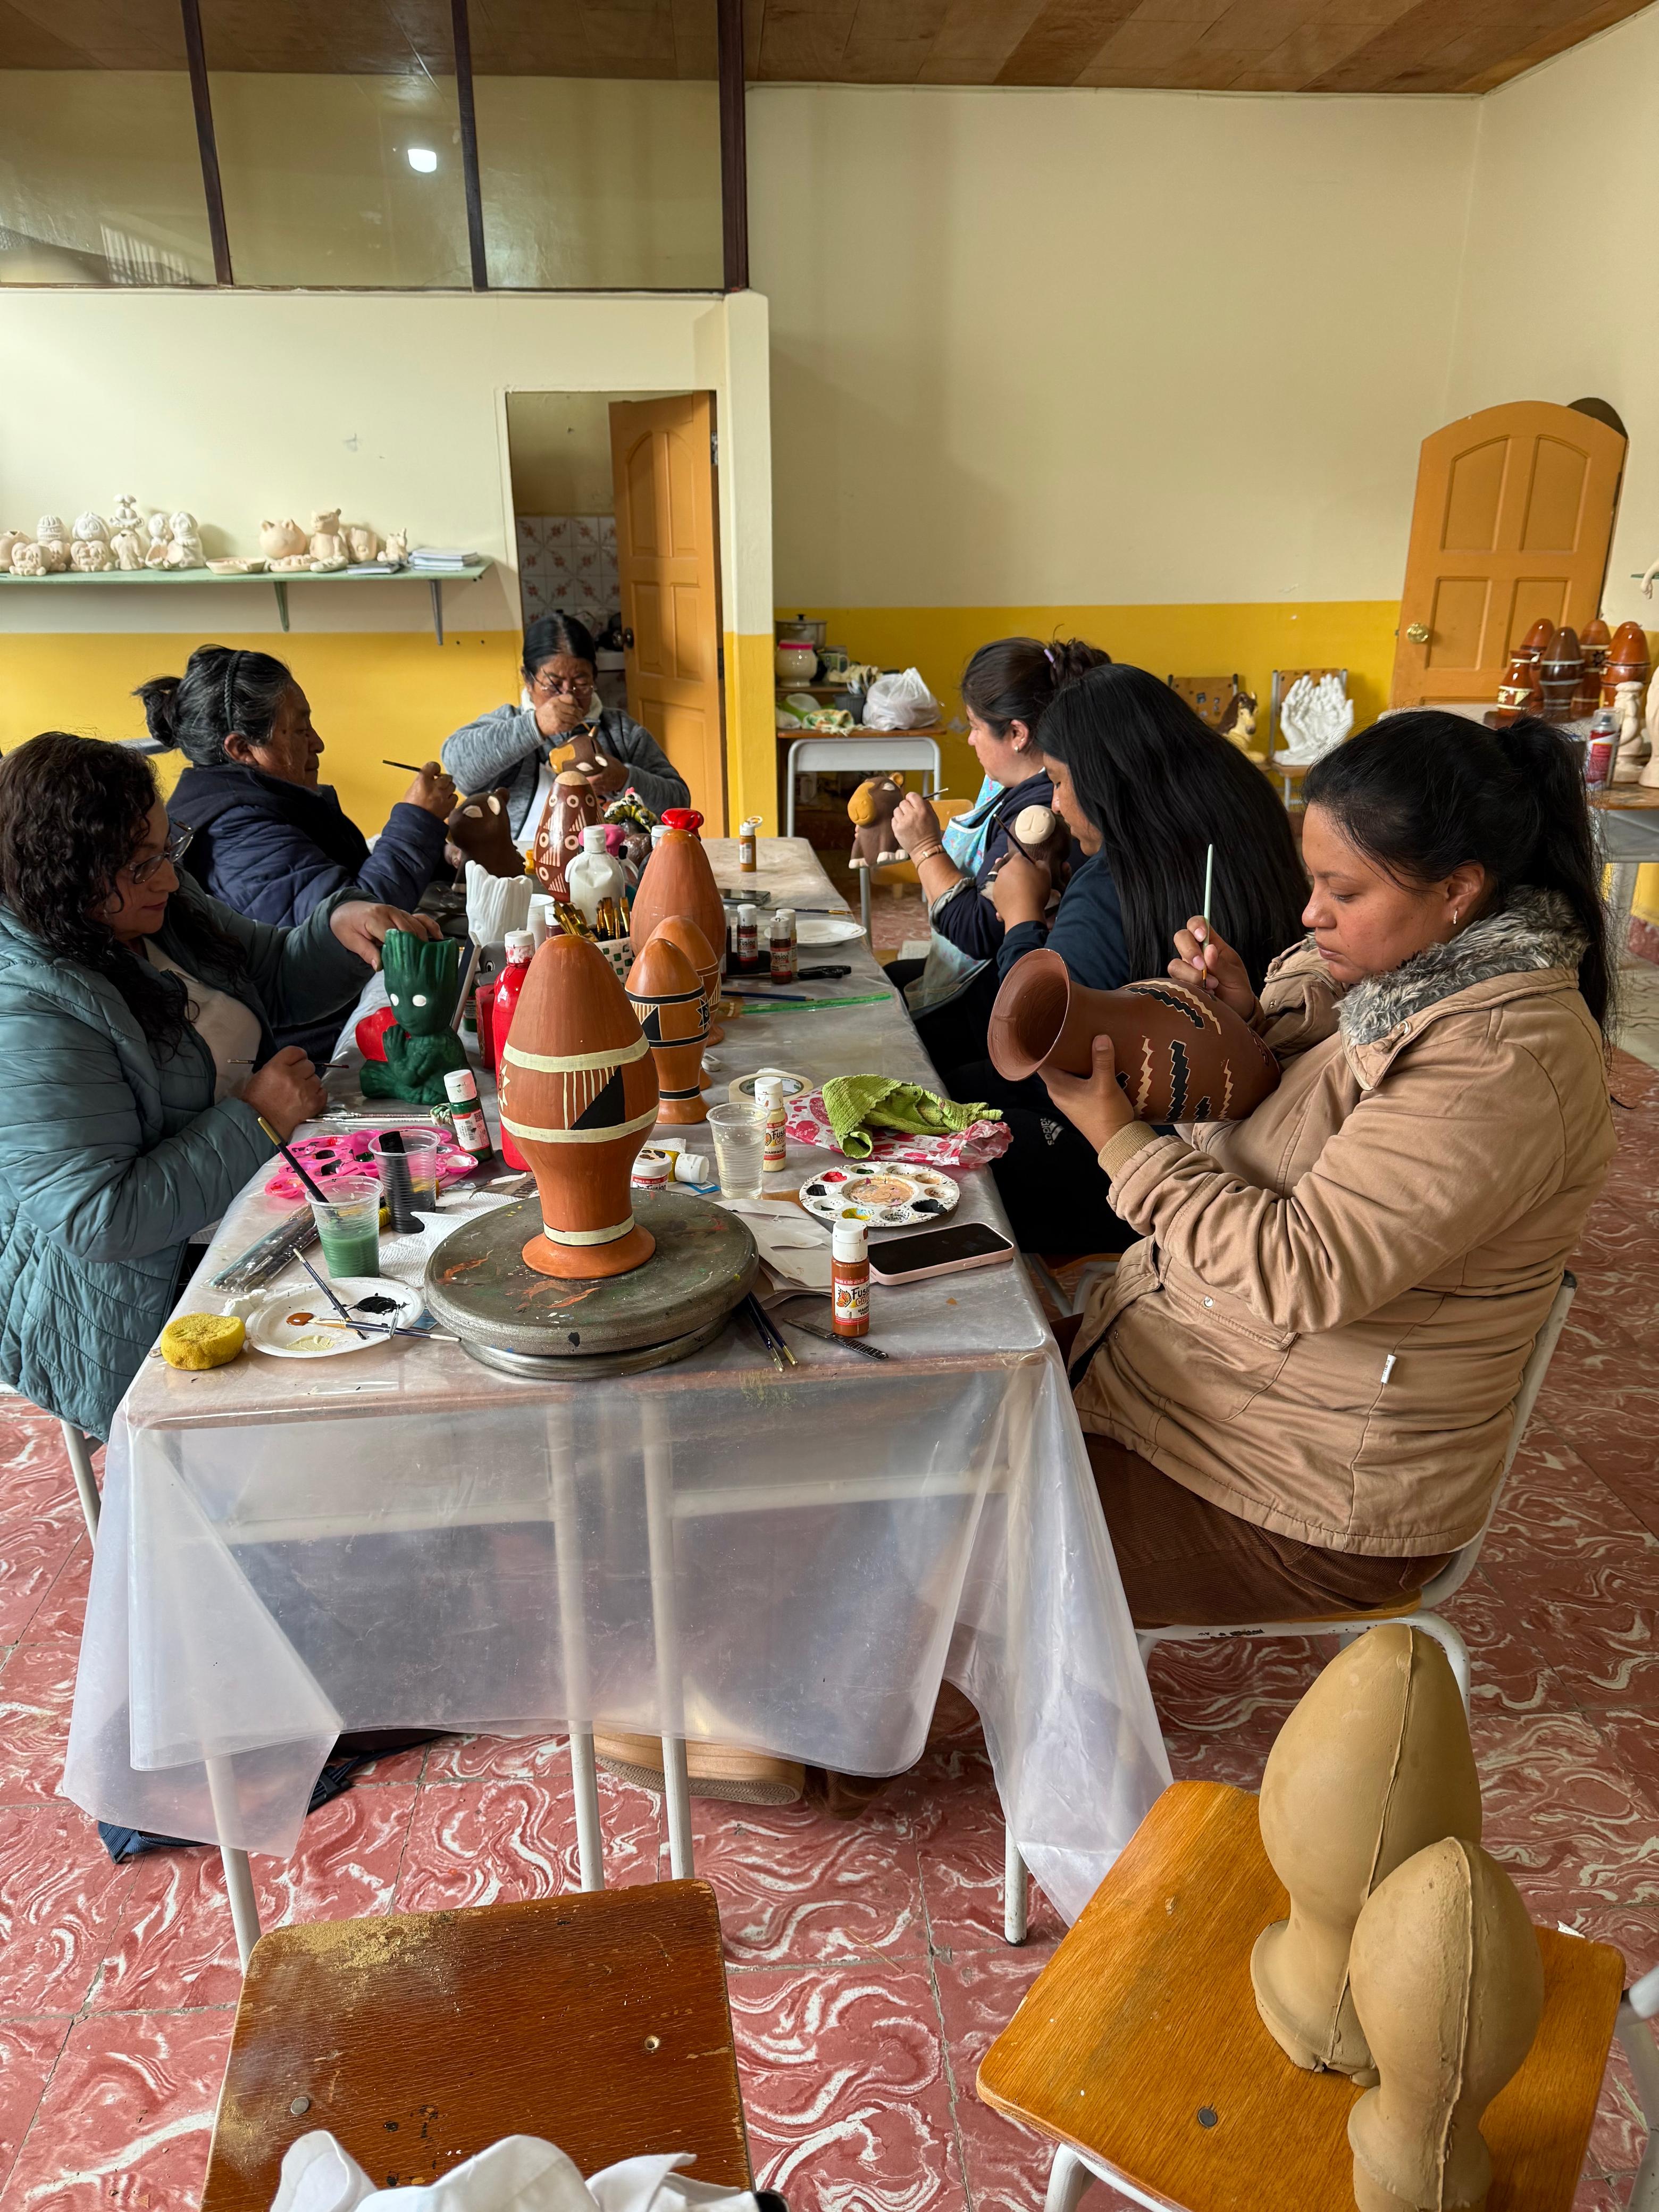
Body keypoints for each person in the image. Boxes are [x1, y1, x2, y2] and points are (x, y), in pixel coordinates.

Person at [1042, 713, 1616, 1629]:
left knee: (966, 1566)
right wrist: (1246, 1029)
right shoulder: (1394, 970)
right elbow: (1315, 1111)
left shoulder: (1503, 1057)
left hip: (1307, 1492)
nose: (1311, 914)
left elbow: (1305, 1270)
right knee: (934, 1432)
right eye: (1313, 881)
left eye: (1342, 891)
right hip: (1201, 1377)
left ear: (1458, 891)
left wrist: (1123, 1142)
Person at [0, 733, 438, 1441]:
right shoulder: (28, 1008)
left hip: (236, 1206)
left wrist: (339, 926)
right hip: (138, 1299)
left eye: (166, 848)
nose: (170, 880)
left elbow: (270, 970)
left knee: (421, 1260)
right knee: (366, 1382)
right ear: (65, 876)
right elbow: (101, 1218)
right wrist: (256, 1117)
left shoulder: (157, 905)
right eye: (141, 865)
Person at [945, 664, 1308, 1252]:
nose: (1056, 804)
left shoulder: (1115, 883)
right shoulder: (1245, 809)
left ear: (1104, 781)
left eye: (1059, 781)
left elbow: (1030, 1033)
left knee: (957, 1111)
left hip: (1151, 1164)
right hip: (1245, 1120)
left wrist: (1022, 918)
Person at [884, 636, 1108, 1071]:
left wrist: (925, 848)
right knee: (888, 980)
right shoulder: (1016, 783)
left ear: (1018, 734)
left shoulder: (1039, 813)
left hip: (1004, 1002)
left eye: (974, 726)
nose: (970, 740)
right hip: (1008, 981)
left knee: (895, 1034)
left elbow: (979, 928)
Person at [153, 645, 456, 929]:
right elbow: (356, 925)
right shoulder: (236, 834)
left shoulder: (275, 803)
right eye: (301, 730)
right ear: (243, 748)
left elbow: (348, 874)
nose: (318, 744)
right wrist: (418, 821)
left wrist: (441, 856)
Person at [442, 613, 688, 847]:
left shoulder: (621, 732)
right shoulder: (509, 723)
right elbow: (457, 768)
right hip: (521, 867)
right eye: (553, 684)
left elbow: (679, 803)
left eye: (581, 683)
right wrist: (535, 726)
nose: (568, 696)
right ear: (528, 680)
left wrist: (624, 778)